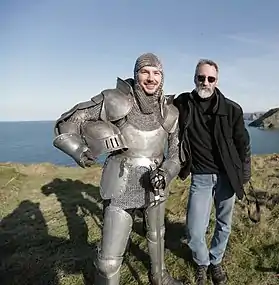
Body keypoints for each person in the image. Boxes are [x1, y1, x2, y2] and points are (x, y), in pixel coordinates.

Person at [52, 53, 183, 285]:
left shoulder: (170, 112)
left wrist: (166, 173)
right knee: (109, 261)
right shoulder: (115, 99)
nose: (151, 78)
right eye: (145, 72)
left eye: (156, 73)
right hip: (122, 180)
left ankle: (159, 276)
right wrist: (79, 150)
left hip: (156, 181)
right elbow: (70, 120)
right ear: (136, 74)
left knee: (156, 235)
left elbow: (175, 154)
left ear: (162, 78)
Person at [173, 59, 251, 285]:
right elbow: (158, 105)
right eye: (201, 77)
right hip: (201, 176)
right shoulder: (183, 104)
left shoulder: (232, 109)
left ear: (217, 81)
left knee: (223, 222)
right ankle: (202, 262)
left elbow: (243, 143)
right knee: (194, 230)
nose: (205, 82)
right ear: (194, 78)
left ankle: (215, 262)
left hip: (228, 175)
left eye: (210, 78)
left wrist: (244, 174)